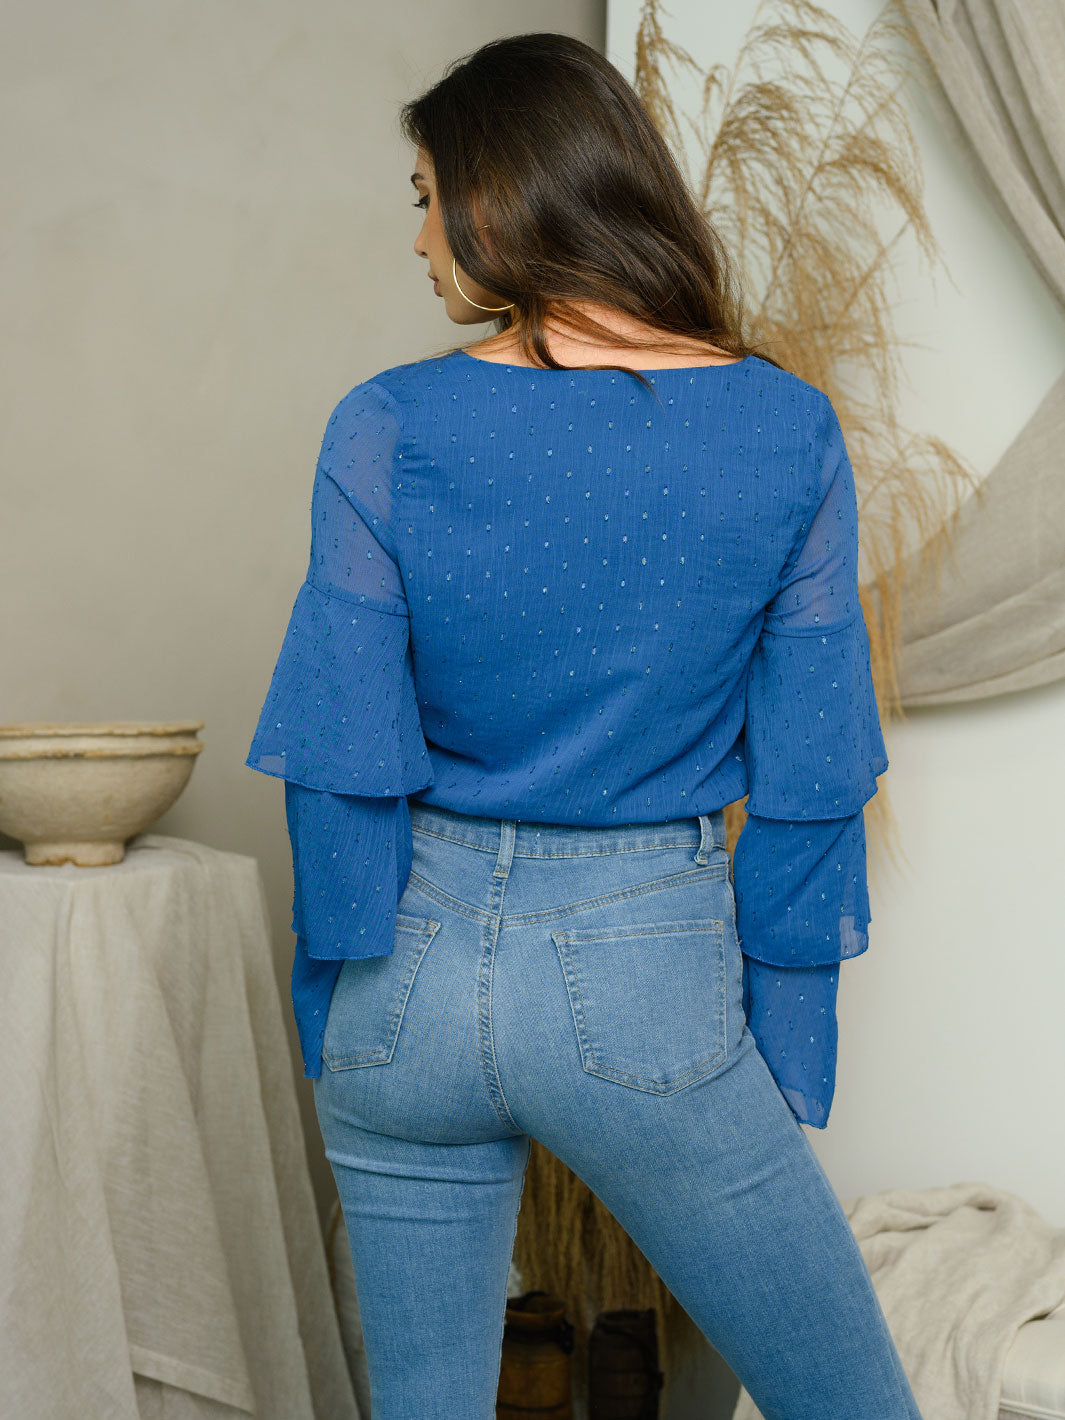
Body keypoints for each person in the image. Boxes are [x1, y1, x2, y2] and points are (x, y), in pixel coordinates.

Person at [244, 31, 921, 1420]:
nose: (418, 239)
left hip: (404, 980)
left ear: (502, 196)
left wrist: (341, 1004)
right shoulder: (786, 432)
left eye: (426, 197)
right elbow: (808, 773)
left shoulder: (384, 423)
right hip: (642, 988)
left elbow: (342, 752)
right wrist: (784, 1040)